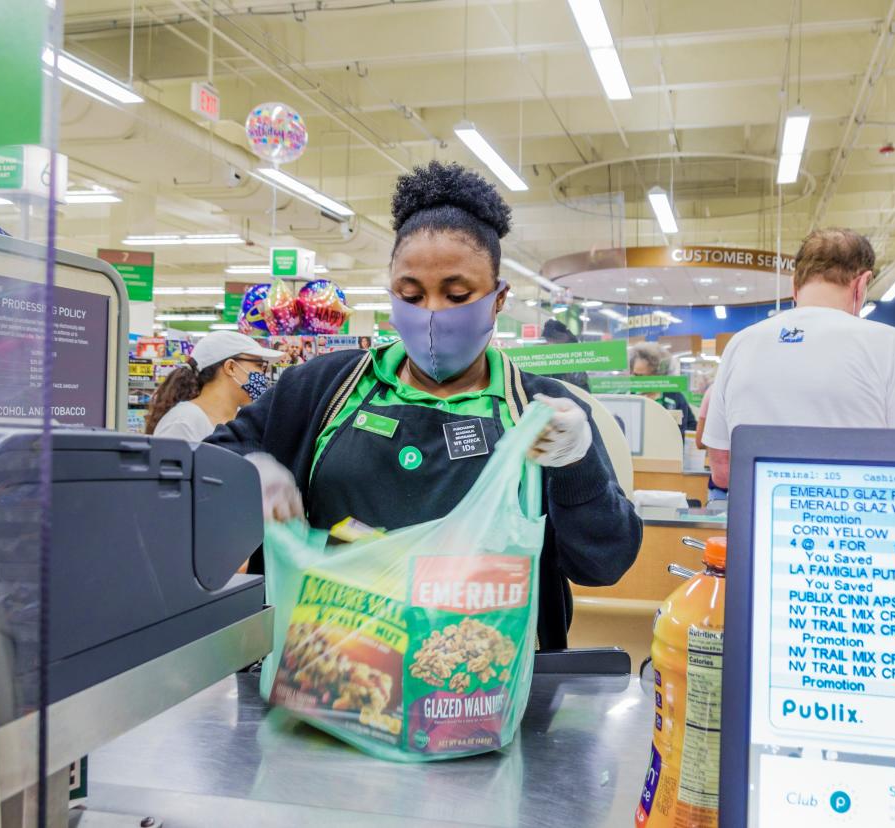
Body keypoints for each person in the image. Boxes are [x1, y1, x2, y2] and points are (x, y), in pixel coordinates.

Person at [207, 160, 641, 649]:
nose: (432, 314)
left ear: (499, 298)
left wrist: (576, 465)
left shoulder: (539, 410)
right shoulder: (319, 390)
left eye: (458, 295)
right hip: (332, 675)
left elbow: (605, 564)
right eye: (410, 295)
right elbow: (201, 476)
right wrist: (249, 475)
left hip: (479, 686)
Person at [704, 228, 895, 488]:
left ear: (794, 284)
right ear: (862, 283)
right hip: (856, 521)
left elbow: (721, 471)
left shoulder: (740, 344)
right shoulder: (891, 345)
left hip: (758, 523)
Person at [145, 330, 282, 441]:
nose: (264, 375)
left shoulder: (242, 419)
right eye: (260, 366)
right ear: (231, 367)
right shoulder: (183, 423)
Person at [627, 342, 697, 431]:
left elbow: (691, 426)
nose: (634, 379)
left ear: (657, 374)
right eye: (633, 374)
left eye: (640, 376)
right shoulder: (629, 396)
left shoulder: (674, 396)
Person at [694, 385, 727, 503]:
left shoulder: (714, 390)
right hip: (723, 484)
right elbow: (699, 441)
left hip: (721, 483)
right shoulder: (714, 390)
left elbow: (700, 441)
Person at [541, 318, 590, 391]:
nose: (551, 343)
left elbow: (580, 383)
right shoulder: (546, 356)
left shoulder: (573, 354)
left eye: (554, 339)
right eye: (548, 340)